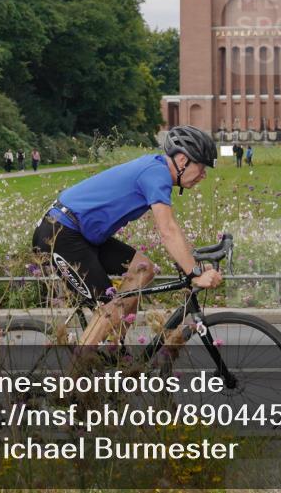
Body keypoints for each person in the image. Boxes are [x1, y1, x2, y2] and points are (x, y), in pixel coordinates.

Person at [32, 125, 223, 346]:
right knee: (111, 309)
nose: (203, 175)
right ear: (182, 160)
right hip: (60, 233)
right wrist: (195, 274)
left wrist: (194, 265)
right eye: (201, 167)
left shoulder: (156, 170)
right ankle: (73, 377)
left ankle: (114, 351)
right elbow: (167, 230)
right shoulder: (156, 174)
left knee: (143, 268)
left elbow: (172, 229)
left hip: (81, 234)